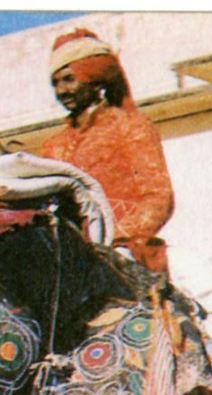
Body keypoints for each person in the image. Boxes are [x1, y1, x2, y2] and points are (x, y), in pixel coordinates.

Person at [39, 28, 174, 273]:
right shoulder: (52, 145)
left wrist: (114, 242)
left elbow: (158, 197)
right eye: (55, 83)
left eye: (69, 79)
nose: (61, 91)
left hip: (124, 253)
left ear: (96, 79)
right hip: (67, 261)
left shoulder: (131, 127)